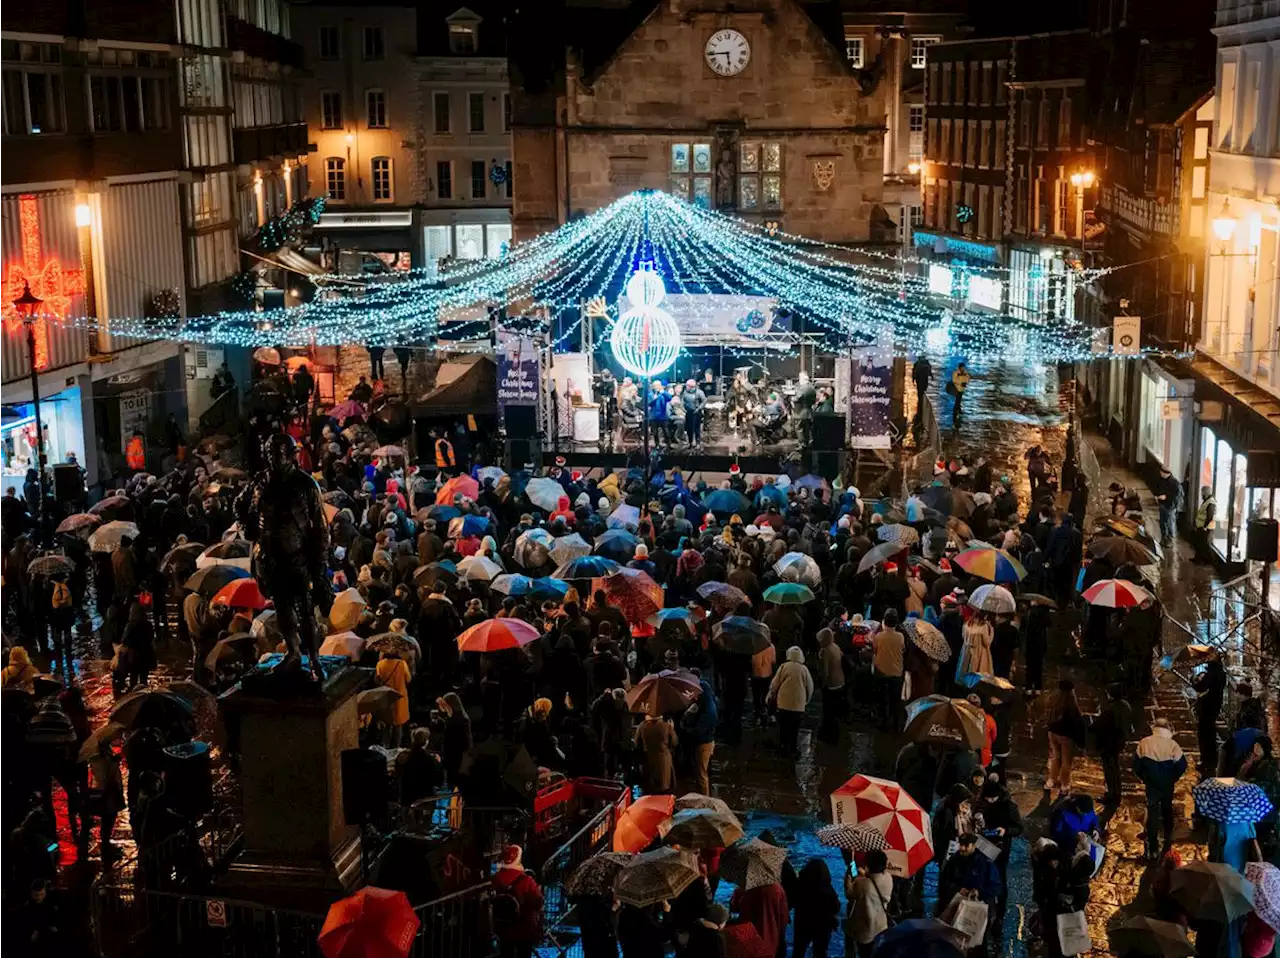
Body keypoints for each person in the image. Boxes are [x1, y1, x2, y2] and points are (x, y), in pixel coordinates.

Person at [1133, 718, 1187, 861]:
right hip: (1167, 783)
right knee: (1167, 809)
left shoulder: (1144, 743)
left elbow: (1136, 765)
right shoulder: (1172, 744)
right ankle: (1168, 842)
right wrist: (1173, 777)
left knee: (1152, 813)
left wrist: (1145, 777)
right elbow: (1182, 765)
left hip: (1151, 785)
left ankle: (1153, 848)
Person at [491, 844, 544, 958]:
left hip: (503, 926)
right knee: (524, 952)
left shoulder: (496, 878)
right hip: (523, 927)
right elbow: (537, 901)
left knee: (505, 952)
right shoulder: (526, 880)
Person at [844, 849, 893, 958]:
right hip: (881, 926)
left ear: (867, 864)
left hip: (866, 929)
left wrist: (848, 879)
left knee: (865, 954)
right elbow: (874, 881)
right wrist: (865, 874)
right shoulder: (889, 878)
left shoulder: (861, 884)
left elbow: (849, 894)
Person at [730, 870, 789, 958]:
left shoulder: (745, 887)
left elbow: (734, 907)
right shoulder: (777, 888)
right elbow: (784, 917)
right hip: (771, 938)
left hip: (749, 936)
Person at [767, 646, 813, 757]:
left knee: (783, 727)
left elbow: (775, 684)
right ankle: (793, 748)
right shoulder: (804, 669)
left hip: (783, 703)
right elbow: (810, 686)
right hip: (798, 706)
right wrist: (806, 700)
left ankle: (783, 747)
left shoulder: (784, 667)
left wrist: (771, 695)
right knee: (794, 729)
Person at [1093, 684, 1133, 807]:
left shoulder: (1111, 709)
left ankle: (1112, 795)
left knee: (1110, 769)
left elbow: (1099, 725)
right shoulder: (1125, 705)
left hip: (1110, 743)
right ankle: (1115, 793)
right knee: (1114, 767)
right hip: (1119, 741)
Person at [1045, 680, 1087, 799]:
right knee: (1066, 761)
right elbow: (1077, 724)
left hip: (1052, 733)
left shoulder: (1053, 700)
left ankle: (1050, 781)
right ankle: (1064, 785)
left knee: (1056, 756)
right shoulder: (1071, 705)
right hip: (1066, 737)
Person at [791, 858, 840, 958]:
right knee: (820, 952)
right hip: (822, 928)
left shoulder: (800, 885)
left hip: (802, 924)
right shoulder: (828, 890)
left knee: (798, 951)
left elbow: (793, 901)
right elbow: (835, 908)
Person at [681, 674, 718, 795]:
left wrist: (685, 726)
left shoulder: (709, 712)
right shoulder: (704, 704)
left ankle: (704, 798)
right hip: (704, 741)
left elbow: (698, 730)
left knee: (701, 774)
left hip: (704, 743)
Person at [1193, 651, 1227, 778]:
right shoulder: (1221, 673)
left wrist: (1195, 680)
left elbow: (1200, 687)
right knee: (1210, 733)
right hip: (1215, 707)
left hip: (1207, 708)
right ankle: (1211, 759)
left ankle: (1207, 760)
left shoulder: (1211, 674)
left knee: (1205, 734)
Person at [871, 613, 905, 731]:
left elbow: (874, 649)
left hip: (881, 671)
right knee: (895, 700)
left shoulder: (878, 636)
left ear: (884, 623)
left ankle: (882, 722)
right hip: (896, 672)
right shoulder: (900, 636)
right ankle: (895, 724)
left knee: (881, 699)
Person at [375, 649, 412, 747]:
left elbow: (377, 681)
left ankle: (385, 745)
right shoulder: (402, 664)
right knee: (398, 724)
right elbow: (408, 679)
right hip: (399, 697)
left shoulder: (380, 664)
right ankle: (397, 746)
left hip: (385, 696)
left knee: (385, 723)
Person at [635, 713, 678, 793]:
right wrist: (672, 728)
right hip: (664, 761)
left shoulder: (642, 726)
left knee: (649, 789)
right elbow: (674, 742)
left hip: (647, 760)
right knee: (664, 790)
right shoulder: (666, 726)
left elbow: (637, 743)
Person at [816, 628, 845, 743]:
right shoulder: (835, 646)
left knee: (828, 711)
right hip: (840, 682)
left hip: (831, 685)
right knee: (834, 710)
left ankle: (828, 735)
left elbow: (825, 672)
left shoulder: (824, 651)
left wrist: (822, 684)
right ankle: (835, 732)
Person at [1153, 464, 1181, 545]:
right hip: (1162, 505)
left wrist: (1166, 497)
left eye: (1161, 472)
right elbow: (1156, 488)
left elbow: (1176, 496)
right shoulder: (1161, 480)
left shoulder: (1175, 484)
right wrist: (1156, 495)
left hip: (1169, 507)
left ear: (1166, 473)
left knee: (1169, 523)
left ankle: (1169, 540)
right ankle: (1164, 538)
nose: (1160, 473)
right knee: (1162, 523)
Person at [1192, 485, 1217, 563]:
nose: (1201, 494)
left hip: (1207, 527)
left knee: (1205, 545)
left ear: (1205, 492)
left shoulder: (1211, 502)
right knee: (1200, 543)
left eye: (1202, 492)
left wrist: (1205, 527)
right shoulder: (1207, 500)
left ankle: (1210, 561)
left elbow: (1210, 516)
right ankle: (1198, 559)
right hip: (1202, 526)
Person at [948, 362, 970, 428]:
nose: (963, 368)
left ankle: (958, 410)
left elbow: (968, 378)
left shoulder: (965, 373)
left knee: (959, 400)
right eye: (962, 367)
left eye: (964, 367)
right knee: (957, 401)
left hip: (962, 389)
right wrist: (961, 383)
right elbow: (954, 380)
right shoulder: (956, 373)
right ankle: (955, 412)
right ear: (960, 367)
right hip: (957, 389)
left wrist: (965, 382)